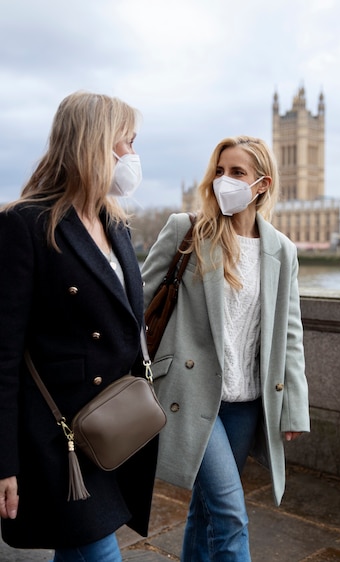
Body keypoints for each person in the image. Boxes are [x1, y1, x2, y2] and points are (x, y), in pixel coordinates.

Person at [0, 91, 158, 562]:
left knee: (78, 552)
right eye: (126, 142)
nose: (133, 155)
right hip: (58, 435)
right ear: (96, 144)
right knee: (99, 553)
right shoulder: (25, 225)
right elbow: (3, 355)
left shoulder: (116, 224)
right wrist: (3, 461)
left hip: (113, 425)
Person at [141, 135, 310, 561]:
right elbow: (136, 301)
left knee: (206, 510)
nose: (223, 181)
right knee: (231, 515)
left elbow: (289, 334)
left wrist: (294, 406)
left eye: (237, 173)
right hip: (189, 391)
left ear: (262, 184)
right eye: (219, 171)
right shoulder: (188, 230)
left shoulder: (282, 251)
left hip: (245, 402)